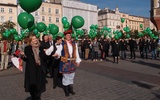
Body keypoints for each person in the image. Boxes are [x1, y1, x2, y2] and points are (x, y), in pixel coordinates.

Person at [21, 35, 46, 100]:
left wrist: (46, 53)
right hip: (31, 69)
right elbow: (27, 59)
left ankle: (38, 96)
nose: (35, 40)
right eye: (33, 39)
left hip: (39, 68)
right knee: (32, 83)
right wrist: (23, 56)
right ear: (30, 40)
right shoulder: (28, 48)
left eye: (36, 38)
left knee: (39, 83)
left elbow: (44, 58)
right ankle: (33, 96)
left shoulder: (40, 47)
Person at [58, 29, 81, 97]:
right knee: (66, 76)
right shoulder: (62, 43)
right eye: (67, 35)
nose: (69, 36)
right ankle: (66, 90)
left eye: (69, 35)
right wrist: (57, 54)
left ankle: (71, 89)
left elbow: (76, 52)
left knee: (71, 76)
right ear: (65, 36)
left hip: (72, 62)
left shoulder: (74, 43)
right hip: (65, 62)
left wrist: (78, 61)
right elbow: (59, 50)